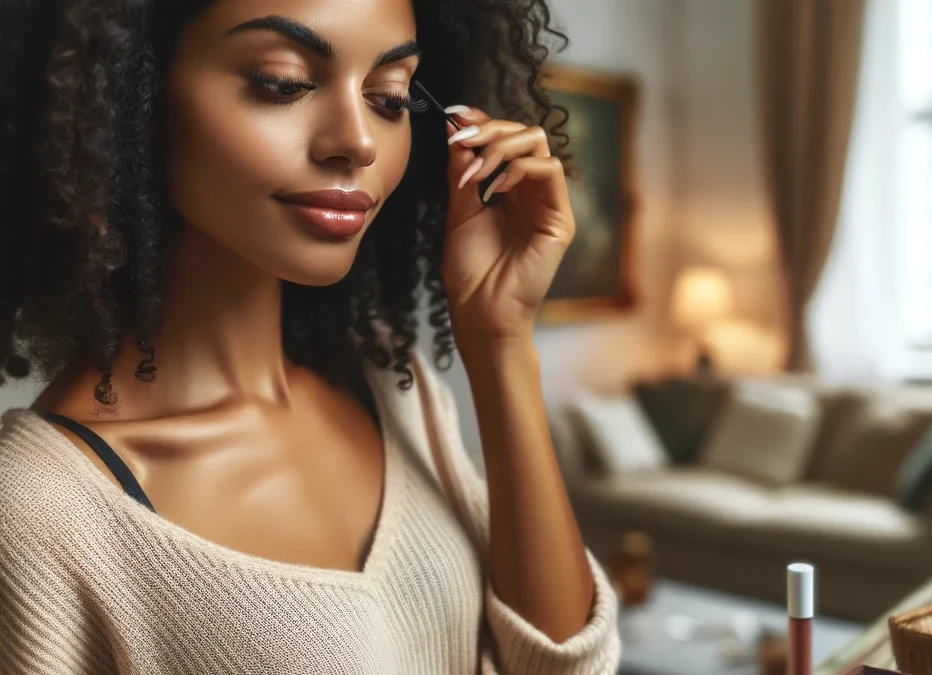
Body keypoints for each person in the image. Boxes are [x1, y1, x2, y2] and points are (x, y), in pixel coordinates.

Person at [0, 0, 621, 673]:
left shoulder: (391, 389)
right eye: (283, 83)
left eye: (389, 97)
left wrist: (499, 342)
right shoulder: (39, 512)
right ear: (128, 100)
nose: (356, 140)